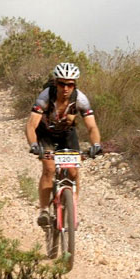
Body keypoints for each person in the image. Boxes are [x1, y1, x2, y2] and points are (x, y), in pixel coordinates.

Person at [25, 62, 102, 227]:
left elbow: (92, 126)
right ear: (55, 82)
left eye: (70, 84)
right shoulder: (45, 97)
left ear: (74, 85)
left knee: (73, 172)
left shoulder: (81, 99)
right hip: (45, 134)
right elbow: (31, 125)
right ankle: (44, 210)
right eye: (61, 83)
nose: (65, 88)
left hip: (67, 135)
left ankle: (72, 207)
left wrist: (96, 144)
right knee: (49, 168)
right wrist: (33, 145)